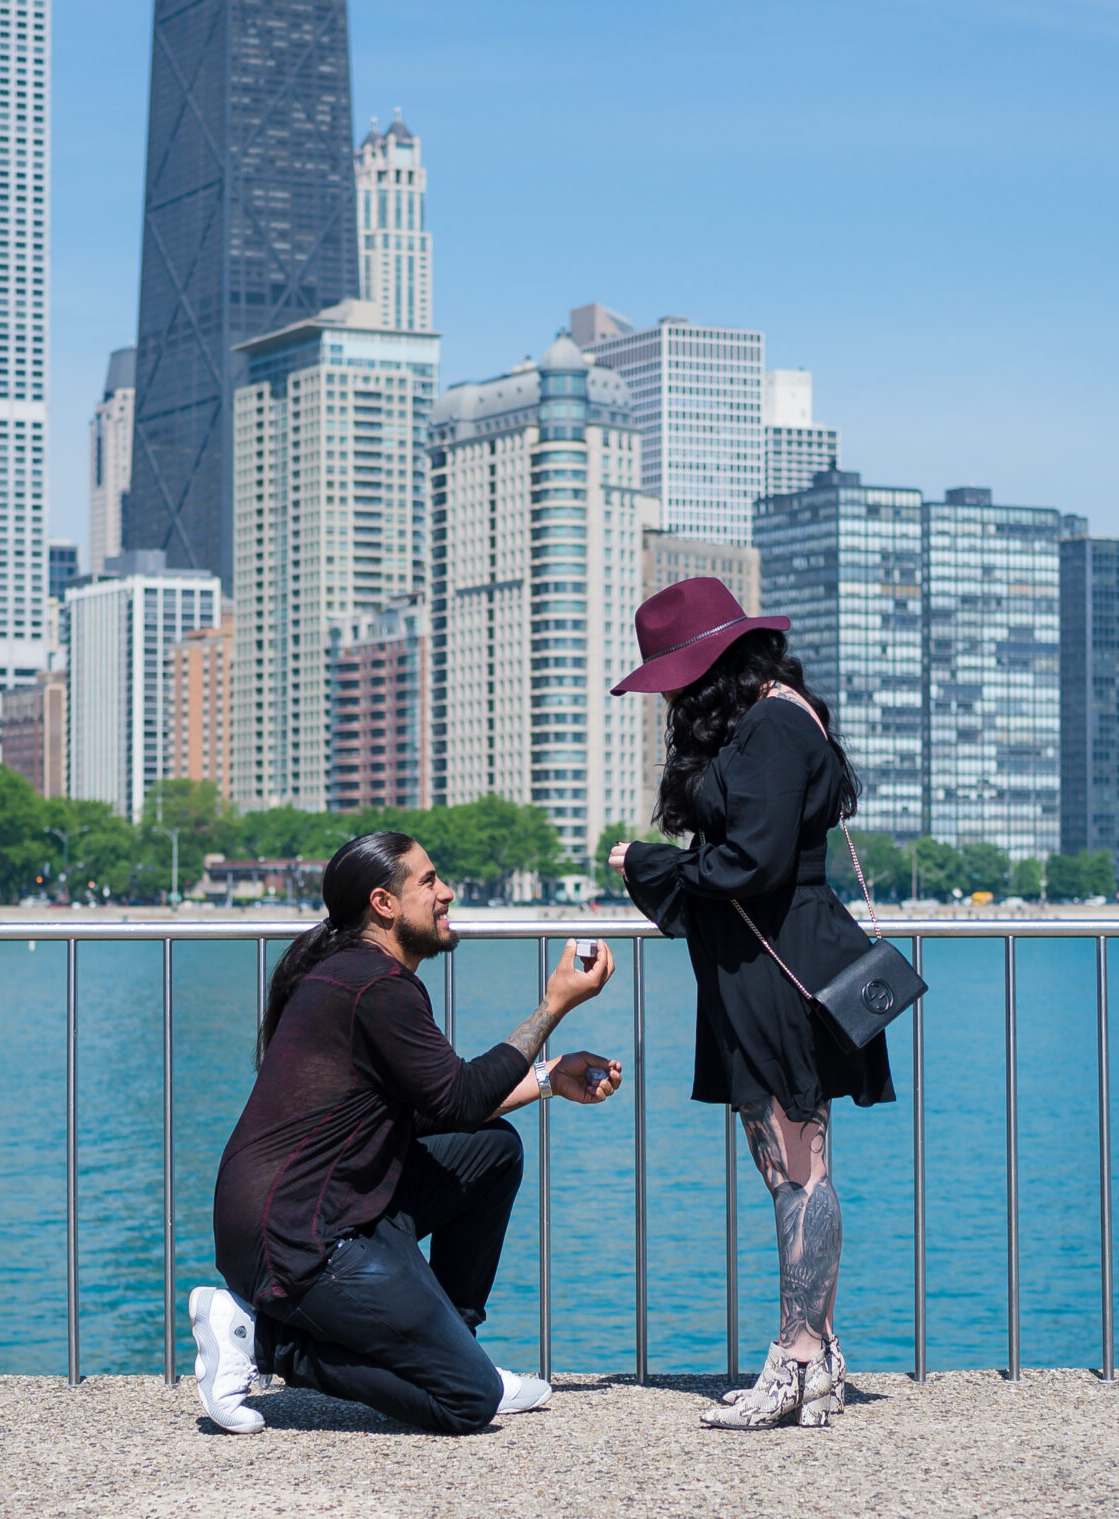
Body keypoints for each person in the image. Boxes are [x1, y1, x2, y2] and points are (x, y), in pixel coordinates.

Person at [190, 830, 622, 1435]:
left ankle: (455, 1347)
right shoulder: (375, 986)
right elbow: (462, 1094)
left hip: (331, 1207)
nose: (446, 893)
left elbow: (439, 1108)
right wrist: (553, 1007)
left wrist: (548, 1078)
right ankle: (263, 1338)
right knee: (466, 1404)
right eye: (428, 882)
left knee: (491, 1149)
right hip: (297, 1239)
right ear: (384, 904)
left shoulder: (357, 974)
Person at [606, 576, 893, 1432]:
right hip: (769, 953)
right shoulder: (779, 714)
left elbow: (751, 865)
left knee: (798, 1166)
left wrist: (645, 863)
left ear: (713, 665)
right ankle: (819, 1357)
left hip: (777, 961)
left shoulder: (770, 721)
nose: (676, 697)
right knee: (791, 1167)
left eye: (679, 676)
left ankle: (798, 1356)